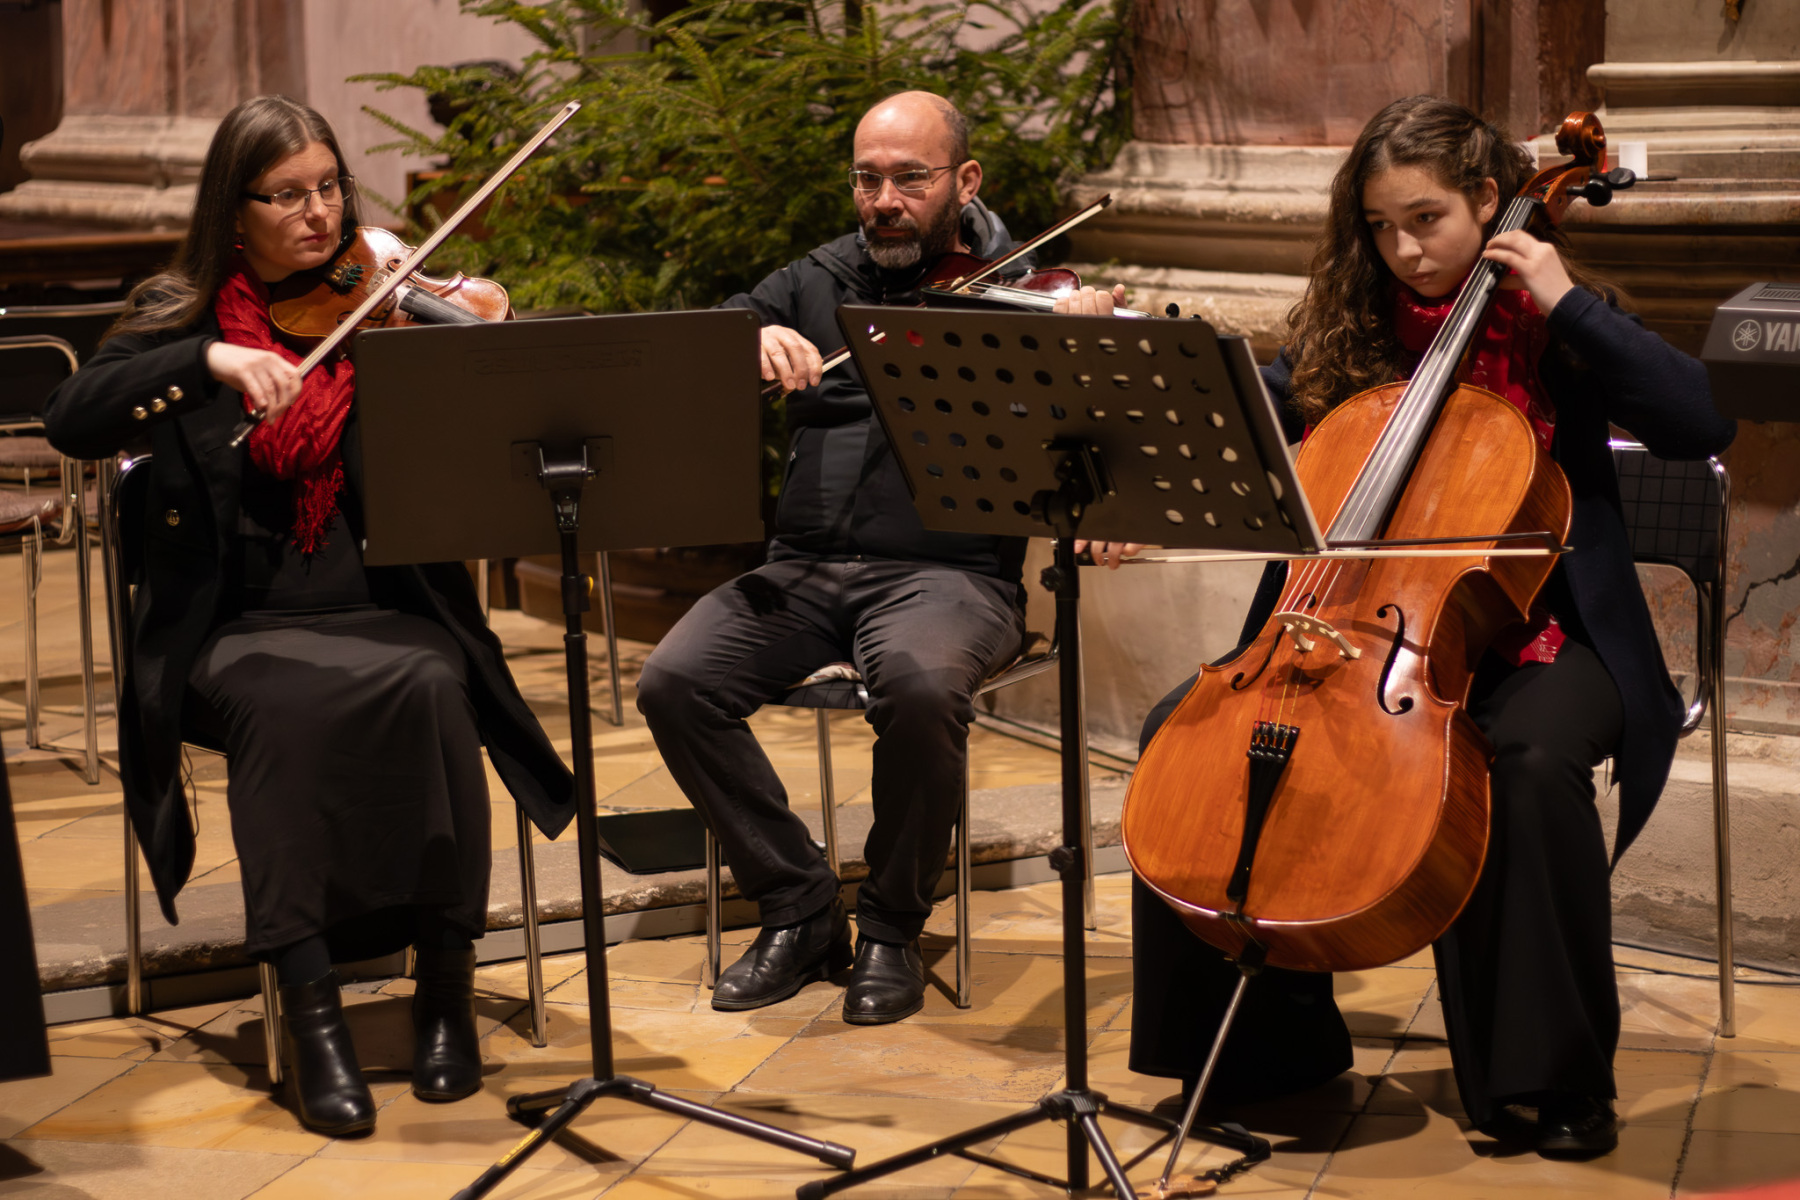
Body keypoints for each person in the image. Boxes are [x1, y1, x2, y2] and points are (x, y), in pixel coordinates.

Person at [1064, 94, 1736, 1158]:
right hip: (1357, 634)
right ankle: (1264, 1055)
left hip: (1544, 635)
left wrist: (1565, 299)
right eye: (1381, 228)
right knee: (1179, 737)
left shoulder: (1561, 326)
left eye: (1426, 220)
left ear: (1489, 200)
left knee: (1527, 764)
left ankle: (1550, 1081)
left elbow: (1701, 421)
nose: (1405, 251)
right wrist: (1144, 505)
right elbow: (1242, 432)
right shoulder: (1351, 333)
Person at [42, 95, 576, 1136]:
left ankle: (445, 991)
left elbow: (520, 401)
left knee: (434, 682)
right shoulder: (184, 317)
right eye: (287, 195)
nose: (319, 213)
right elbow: (71, 419)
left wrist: (480, 352)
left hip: (383, 606)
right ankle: (312, 1006)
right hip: (234, 629)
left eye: (330, 187)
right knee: (285, 708)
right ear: (232, 211)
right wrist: (204, 361)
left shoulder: (382, 303)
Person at [635, 91, 1029, 1025]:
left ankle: (891, 926)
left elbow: (1086, 418)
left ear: (965, 181)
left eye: (910, 179)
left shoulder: (1015, 290)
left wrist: (1087, 321)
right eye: (867, 179)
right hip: (804, 569)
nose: (884, 201)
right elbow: (700, 341)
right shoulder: (817, 278)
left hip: (951, 575)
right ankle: (798, 903)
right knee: (675, 682)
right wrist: (750, 336)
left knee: (922, 690)